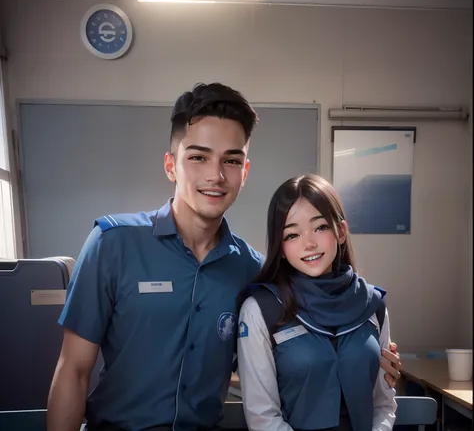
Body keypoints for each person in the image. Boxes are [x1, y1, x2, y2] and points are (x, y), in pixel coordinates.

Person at [47, 84, 401, 431]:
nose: (215, 175)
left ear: (244, 172)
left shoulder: (252, 272)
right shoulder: (112, 245)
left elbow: (294, 350)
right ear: (171, 166)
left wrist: (368, 358)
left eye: (231, 160)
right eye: (198, 157)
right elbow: (73, 371)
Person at [237, 174, 397, 431]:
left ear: (341, 231)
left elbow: (383, 404)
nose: (309, 243)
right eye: (292, 235)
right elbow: (262, 416)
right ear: (281, 246)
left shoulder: (373, 305)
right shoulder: (260, 310)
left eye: (320, 227)